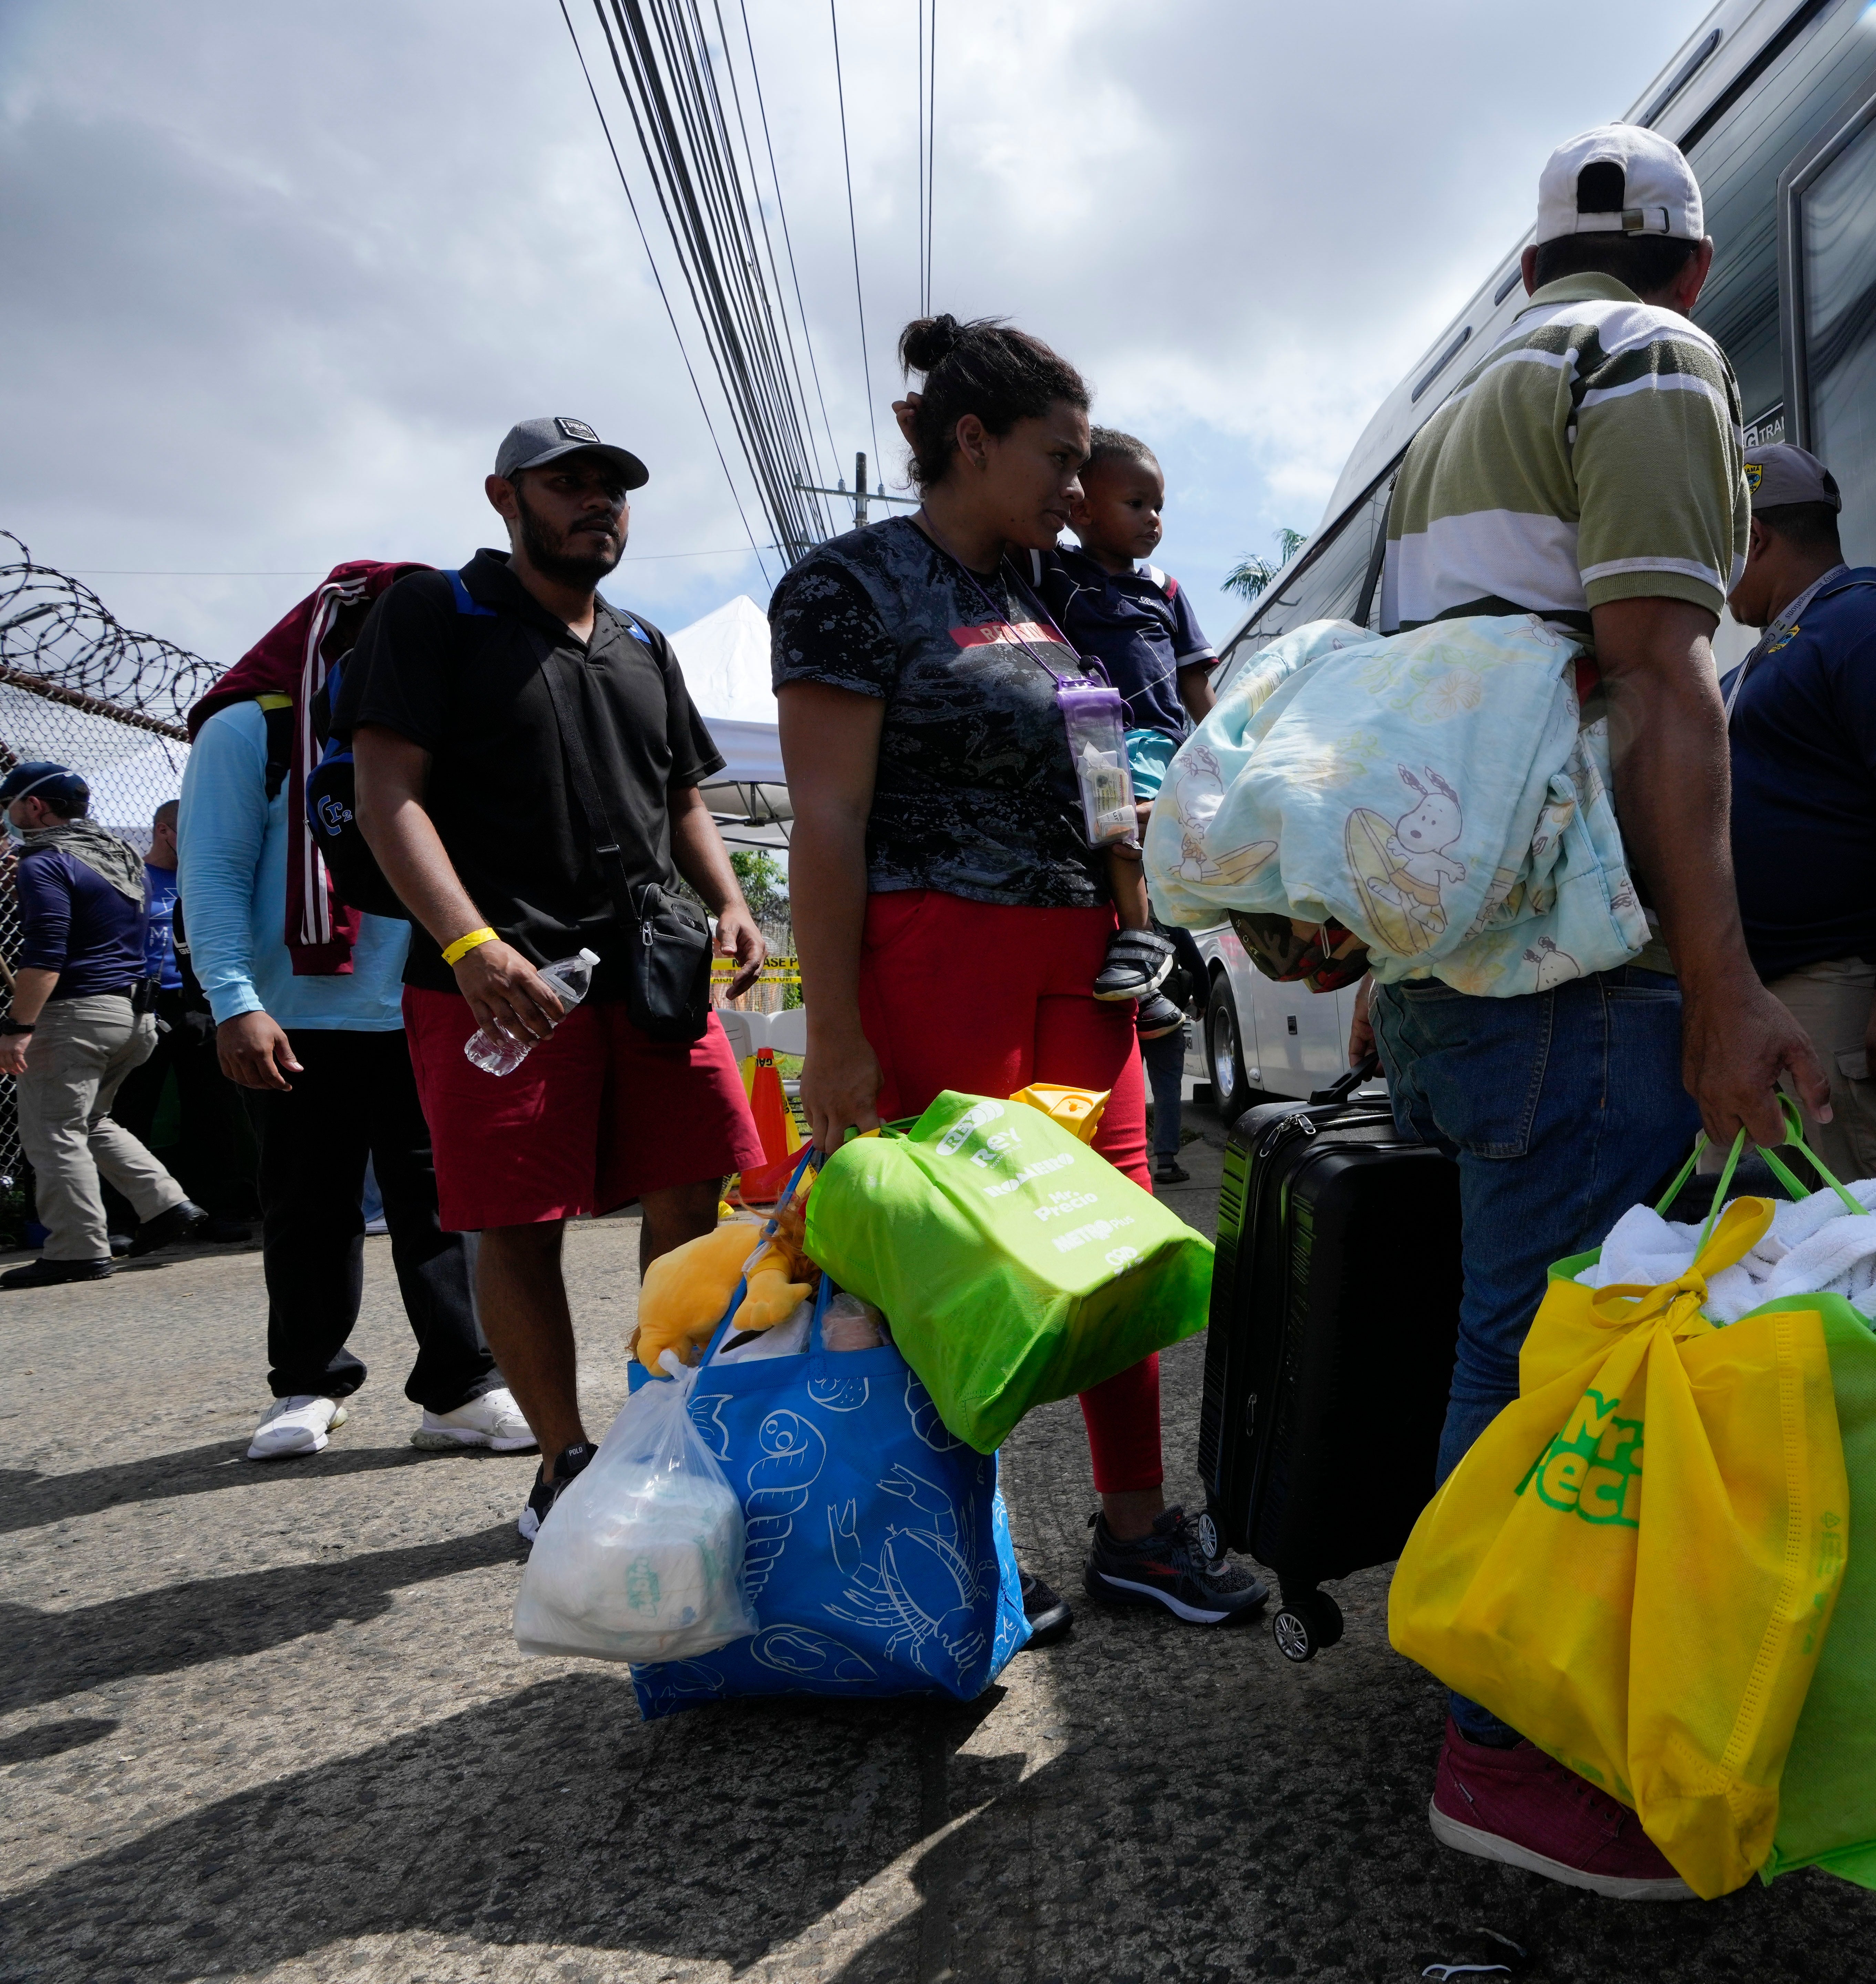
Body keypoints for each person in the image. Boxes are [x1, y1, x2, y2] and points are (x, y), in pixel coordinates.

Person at [1354, 124, 1826, 1900]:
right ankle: (1510, 1748)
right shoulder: (1653, 357)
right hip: (1578, 961)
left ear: (1534, 260)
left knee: (1510, 1335)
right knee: (1570, 1354)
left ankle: (1498, 1678)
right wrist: (1724, 986)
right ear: (1693, 269)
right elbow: (1657, 668)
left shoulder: (1455, 415)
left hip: (1463, 963)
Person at [773, 315, 1265, 1639]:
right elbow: (826, 820)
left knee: (1111, 1251)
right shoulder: (850, 587)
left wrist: (1139, 912)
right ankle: (945, 1557)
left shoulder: (1051, 599)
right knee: (959, 1263)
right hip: (935, 955)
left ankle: (1138, 1532)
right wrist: (834, 1034)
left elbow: (1108, 774)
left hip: (1079, 971)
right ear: (971, 441)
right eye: (1059, 459)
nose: (1075, 488)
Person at [338, 417, 767, 1541]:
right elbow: (390, 793)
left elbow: (682, 798)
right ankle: (564, 1463)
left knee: (696, 1186)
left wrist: (727, 898)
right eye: (568, 485)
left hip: (655, 972)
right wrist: (469, 944)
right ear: (504, 496)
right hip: (502, 982)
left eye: (613, 489)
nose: (597, 504)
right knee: (515, 1220)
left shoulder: (642, 642)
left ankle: (662, 1426)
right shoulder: (437, 613)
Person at [184, 566, 525, 1463]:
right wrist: (234, 1003)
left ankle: (461, 1387)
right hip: (292, 1016)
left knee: (445, 1207)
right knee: (306, 1208)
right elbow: (211, 875)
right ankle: (306, 1384)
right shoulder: (246, 731)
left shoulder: (439, 726)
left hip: (425, 1002)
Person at [1721, 442, 1876, 1201]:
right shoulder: (1769, 654)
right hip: (1778, 996)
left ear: (1754, 537)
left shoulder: (1868, 624)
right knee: (1808, 1236)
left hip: (1850, 984)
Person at [1038, 428, 1222, 1179]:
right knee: (1118, 833)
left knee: (1140, 836)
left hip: (1160, 741)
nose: (1153, 520)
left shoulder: (1168, 591)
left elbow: (1197, 689)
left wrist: (1224, 755)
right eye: (1136, 503)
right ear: (1082, 510)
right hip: (1090, 729)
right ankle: (1146, 955)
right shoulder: (1053, 573)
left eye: (1159, 506)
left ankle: (1151, 955)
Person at [0, 762, 208, 1288]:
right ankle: (166, 1205)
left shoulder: (45, 862)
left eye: (12, 806)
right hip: (133, 1015)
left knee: (52, 1131)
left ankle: (76, 1249)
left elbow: (46, 952)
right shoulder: (115, 857)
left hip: (75, 1014)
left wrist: (18, 1025)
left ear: (35, 807)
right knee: (90, 1121)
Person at [108, 801, 258, 1245]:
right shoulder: (131, 882)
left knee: (213, 1111)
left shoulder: (205, 882)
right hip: (144, 1007)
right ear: (164, 832)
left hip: (201, 1005)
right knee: (128, 1112)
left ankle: (216, 1209)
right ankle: (123, 1217)